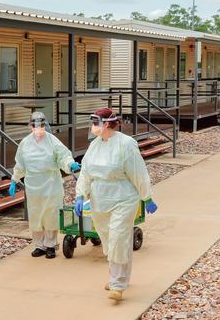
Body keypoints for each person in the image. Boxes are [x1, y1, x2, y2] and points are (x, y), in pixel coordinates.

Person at [74, 107, 158, 300]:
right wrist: (80, 195)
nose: (93, 127)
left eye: (96, 123)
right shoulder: (95, 145)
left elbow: (138, 172)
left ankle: (117, 285)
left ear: (108, 123)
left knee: (119, 238)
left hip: (123, 198)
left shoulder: (126, 144)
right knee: (108, 238)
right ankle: (117, 277)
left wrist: (147, 197)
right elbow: (86, 172)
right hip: (100, 199)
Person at [9, 112, 81, 259]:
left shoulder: (52, 141)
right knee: (35, 215)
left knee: (50, 214)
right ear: (30, 127)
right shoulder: (25, 143)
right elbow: (20, 164)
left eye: (41, 126)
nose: (38, 129)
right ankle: (39, 246)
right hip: (33, 185)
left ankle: (50, 246)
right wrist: (14, 179)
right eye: (35, 126)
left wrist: (70, 164)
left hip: (50, 183)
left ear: (44, 126)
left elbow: (63, 157)